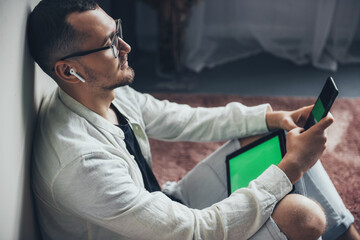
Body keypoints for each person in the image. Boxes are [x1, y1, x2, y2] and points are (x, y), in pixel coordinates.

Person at [27, 0, 359, 239]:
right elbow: (196, 231)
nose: (125, 47)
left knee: (287, 133)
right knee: (303, 216)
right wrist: (290, 169)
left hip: (163, 205)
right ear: (68, 70)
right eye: (110, 44)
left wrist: (272, 117)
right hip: (177, 231)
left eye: (118, 32)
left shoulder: (103, 92)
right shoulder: (82, 164)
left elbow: (182, 118)